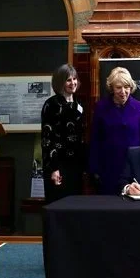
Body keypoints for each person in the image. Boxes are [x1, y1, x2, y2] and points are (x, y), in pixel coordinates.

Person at [89, 67, 140, 195]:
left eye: (126, 87)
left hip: (134, 168)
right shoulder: (101, 107)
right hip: (109, 167)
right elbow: (95, 139)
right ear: (111, 88)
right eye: (118, 87)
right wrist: (94, 169)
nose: (123, 92)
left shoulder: (139, 107)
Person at [41, 64, 85, 204]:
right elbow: (47, 139)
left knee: (74, 206)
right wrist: (54, 168)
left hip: (76, 165)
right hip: (58, 164)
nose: (73, 83)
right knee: (58, 204)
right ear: (60, 82)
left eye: (74, 79)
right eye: (68, 80)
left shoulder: (79, 103)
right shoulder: (51, 105)